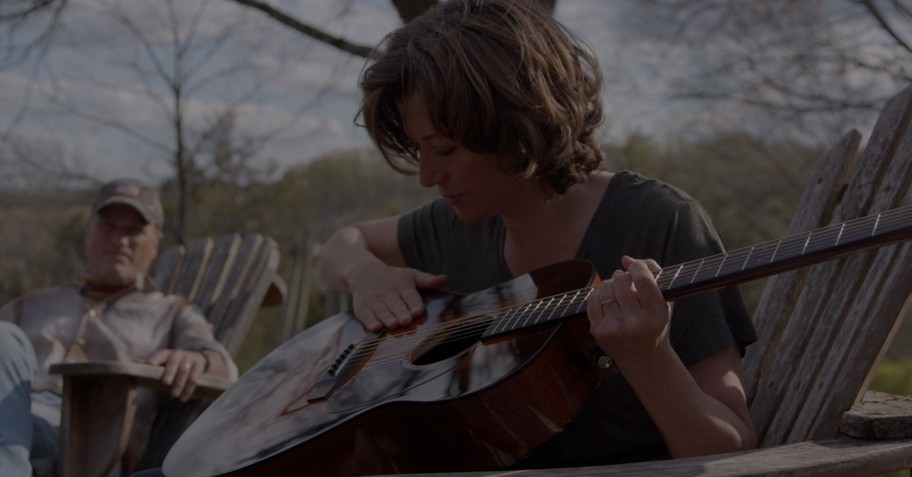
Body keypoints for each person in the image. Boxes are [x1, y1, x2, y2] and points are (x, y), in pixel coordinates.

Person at [318, 0, 758, 469]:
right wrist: (366, 274)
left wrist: (648, 359)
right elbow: (340, 245)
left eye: (443, 149)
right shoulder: (458, 224)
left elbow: (730, 450)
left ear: (515, 125)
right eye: (418, 149)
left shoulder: (661, 222)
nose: (427, 175)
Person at [0, 179, 238, 476]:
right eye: (108, 227)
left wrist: (199, 360)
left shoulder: (169, 311)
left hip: (93, 439)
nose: (119, 240)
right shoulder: (34, 303)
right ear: (88, 233)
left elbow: (223, 367)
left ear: (155, 243)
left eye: (133, 231)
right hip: (16, 412)